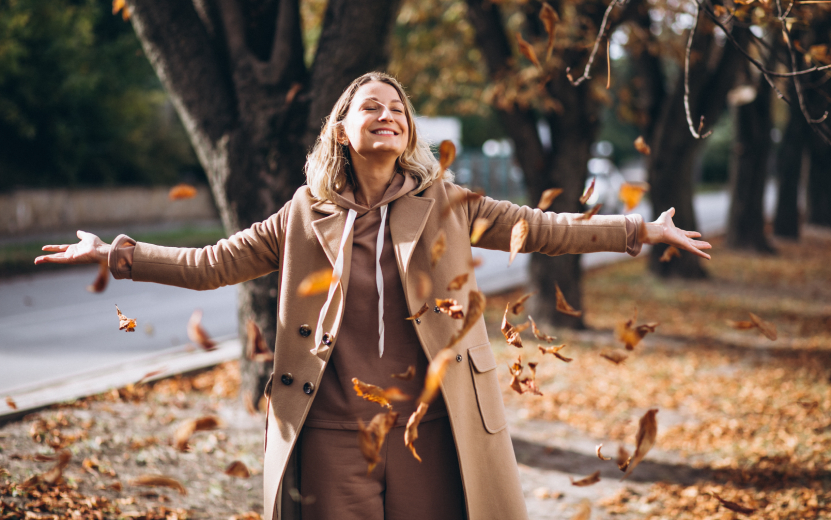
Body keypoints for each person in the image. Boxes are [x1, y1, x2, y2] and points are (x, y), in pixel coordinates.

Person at [35, 72, 711, 520]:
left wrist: (639, 229)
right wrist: (117, 255)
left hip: (431, 428)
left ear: (407, 134)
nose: (386, 116)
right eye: (371, 108)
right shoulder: (303, 214)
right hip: (332, 433)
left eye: (397, 110)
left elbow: (538, 229)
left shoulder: (448, 203)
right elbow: (213, 263)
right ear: (341, 130)